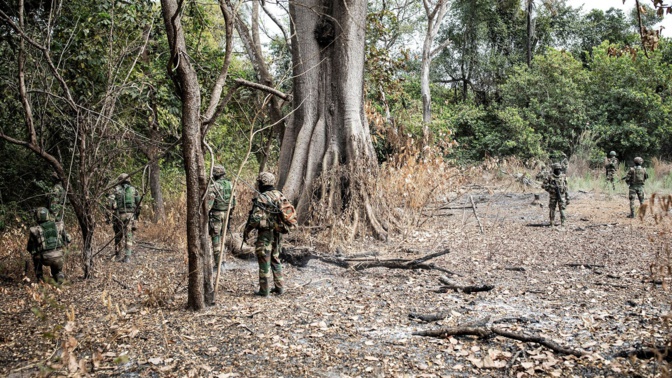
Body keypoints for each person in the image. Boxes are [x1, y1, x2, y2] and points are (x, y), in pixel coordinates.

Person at [243, 172, 288, 297]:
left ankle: (264, 291)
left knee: (264, 259)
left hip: (266, 233)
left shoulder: (262, 197)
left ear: (262, 183)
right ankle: (280, 288)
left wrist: (247, 230)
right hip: (278, 233)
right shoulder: (280, 195)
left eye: (259, 182)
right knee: (275, 258)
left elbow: (255, 219)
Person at [27, 207, 71, 284]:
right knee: (57, 267)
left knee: (35, 257)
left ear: (37, 217)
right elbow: (68, 239)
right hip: (59, 256)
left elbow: (30, 248)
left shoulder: (34, 230)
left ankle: (40, 278)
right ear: (48, 215)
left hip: (45, 258)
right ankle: (59, 275)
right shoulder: (58, 225)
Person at [206, 165, 236, 272]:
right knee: (222, 238)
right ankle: (223, 262)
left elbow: (209, 204)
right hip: (226, 214)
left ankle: (218, 264)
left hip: (216, 215)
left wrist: (204, 213)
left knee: (216, 239)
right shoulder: (230, 184)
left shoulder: (214, 186)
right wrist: (230, 214)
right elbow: (233, 202)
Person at [106, 173, 141, 262]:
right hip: (130, 216)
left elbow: (109, 205)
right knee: (128, 235)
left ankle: (118, 255)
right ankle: (127, 257)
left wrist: (107, 217)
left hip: (118, 216)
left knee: (118, 235)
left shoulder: (115, 190)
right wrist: (136, 216)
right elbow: (139, 205)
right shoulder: (134, 190)